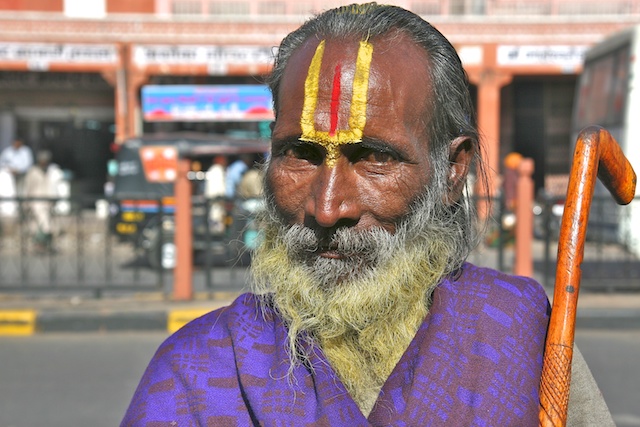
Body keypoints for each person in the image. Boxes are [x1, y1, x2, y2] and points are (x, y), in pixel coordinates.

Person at [122, 4, 613, 426]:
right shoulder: (197, 368)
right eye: (300, 154)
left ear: (451, 171)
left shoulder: (519, 333)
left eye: (375, 157)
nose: (328, 207)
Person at [24, 150, 57, 252]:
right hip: (36, 202)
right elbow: (27, 188)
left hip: (47, 202)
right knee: (40, 224)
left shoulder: (50, 171)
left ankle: (46, 245)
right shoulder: (32, 172)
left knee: (49, 225)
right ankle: (38, 245)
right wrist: (26, 203)